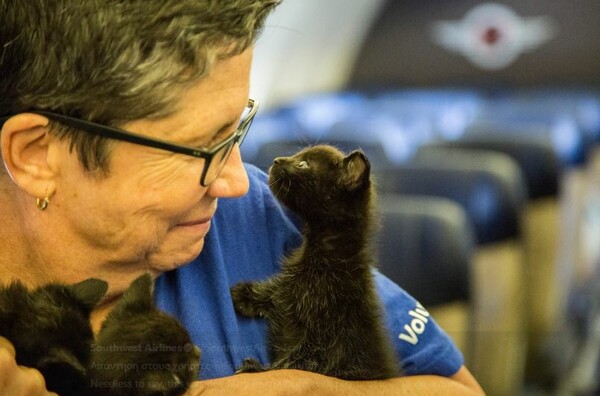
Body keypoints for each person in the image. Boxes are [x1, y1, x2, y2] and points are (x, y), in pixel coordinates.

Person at [0, 0, 485, 394]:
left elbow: (460, 390)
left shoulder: (254, 217)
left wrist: (308, 390)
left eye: (236, 129)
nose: (236, 179)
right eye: (200, 147)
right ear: (38, 156)